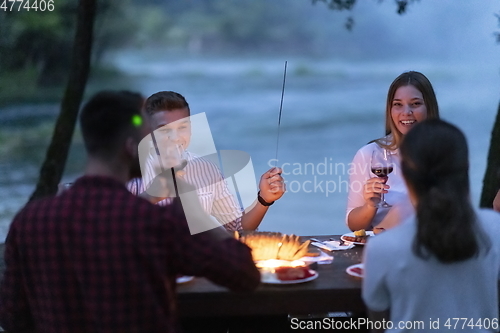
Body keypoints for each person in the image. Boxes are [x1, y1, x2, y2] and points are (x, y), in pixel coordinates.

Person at [0, 91, 260, 333]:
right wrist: (190, 208)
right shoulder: (153, 222)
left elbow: (12, 318)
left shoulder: (30, 221)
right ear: (129, 146)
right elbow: (243, 273)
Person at [362, 119, 500, 332]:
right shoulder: (494, 228)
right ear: (465, 167)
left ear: (406, 174)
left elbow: (377, 323)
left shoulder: (382, 247)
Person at [128, 91, 285, 231]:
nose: (175, 138)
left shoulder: (206, 169)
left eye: (182, 127)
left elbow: (237, 228)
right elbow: (114, 226)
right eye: (164, 129)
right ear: (148, 131)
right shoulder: (131, 172)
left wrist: (264, 199)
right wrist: (150, 196)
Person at [346, 71, 440, 231]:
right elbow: (354, 226)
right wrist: (370, 206)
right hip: (383, 248)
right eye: (398, 104)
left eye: (415, 104)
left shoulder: (444, 153)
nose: (406, 112)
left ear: (429, 108)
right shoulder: (369, 154)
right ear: (390, 110)